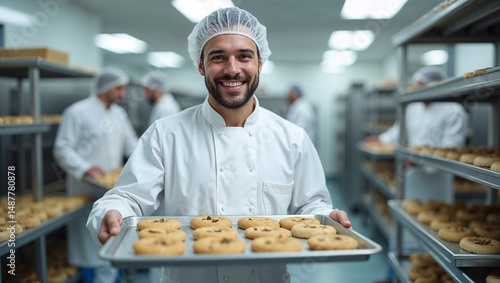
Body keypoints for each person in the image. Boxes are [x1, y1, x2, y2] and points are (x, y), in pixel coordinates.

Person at [86, 7, 351, 283]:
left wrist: (326, 216)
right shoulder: (165, 134)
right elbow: (126, 197)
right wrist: (111, 212)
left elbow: (311, 206)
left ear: (260, 63)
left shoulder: (292, 138)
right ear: (201, 65)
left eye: (244, 56)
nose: (233, 69)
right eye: (218, 57)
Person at [367, 66, 468, 283]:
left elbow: (453, 149)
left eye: (422, 86)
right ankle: (393, 275)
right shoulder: (413, 107)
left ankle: (427, 274)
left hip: (436, 182)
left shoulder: (453, 110)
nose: (418, 91)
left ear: (436, 85)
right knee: (404, 225)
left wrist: (423, 159)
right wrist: (381, 139)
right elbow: (398, 131)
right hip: (409, 178)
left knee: (432, 230)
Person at [53, 68, 138, 283]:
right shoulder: (77, 112)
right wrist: (85, 168)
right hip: (86, 189)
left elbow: (132, 145)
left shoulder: (119, 113)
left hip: (113, 188)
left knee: (114, 237)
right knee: (89, 245)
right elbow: (62, 149)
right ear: (105, 88)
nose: (123, 93)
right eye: (119, 88)